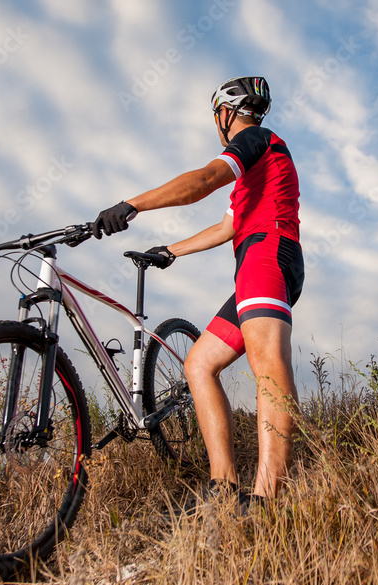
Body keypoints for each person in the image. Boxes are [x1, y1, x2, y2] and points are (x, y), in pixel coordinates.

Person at [93, 76, 304, 504]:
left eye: (217, 118)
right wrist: (170, 250)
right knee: (199, 363)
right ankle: (223, 485)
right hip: (254, 259)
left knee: (268, 368)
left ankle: (266, 498)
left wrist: (132, 204)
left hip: (269, 254)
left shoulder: (258, 140)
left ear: (225, 114)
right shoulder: (254, 174)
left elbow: (206, 178)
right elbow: (227, 227)